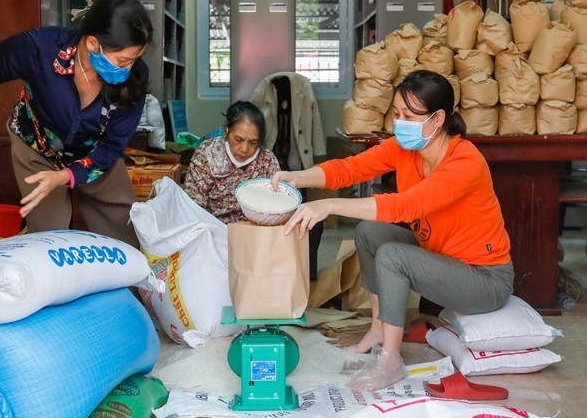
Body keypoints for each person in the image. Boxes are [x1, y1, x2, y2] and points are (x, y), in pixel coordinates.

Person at [271, 70, 514, 391]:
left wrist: (326, 206)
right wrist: (297, 177)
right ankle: (377, 327)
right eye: (397, 114)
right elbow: (350, 169)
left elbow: (406, 206)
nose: (400, 123)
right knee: (371, 233)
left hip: (485, 280)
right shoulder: (406, 148)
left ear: (438, 118)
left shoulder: (465, 162)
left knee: (393, 255)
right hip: (442, 259)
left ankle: (390, 360)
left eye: (410, 116)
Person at [0, 0, 152, 248]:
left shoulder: (134, 78)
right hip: (37, 148)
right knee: (48, 242)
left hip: (95, 153)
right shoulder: (39, 49)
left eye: (134, 59)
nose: (129, 68)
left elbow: (111, 147)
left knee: (124, 236)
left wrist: (65, 175)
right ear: (93, 44)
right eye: (123, 60)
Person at [184, 101, 281, 224]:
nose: (244, 149)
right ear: (226, 131)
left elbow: (275, 207)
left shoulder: (267, 161)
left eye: (253, 142)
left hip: (254, 232)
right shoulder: (206, 154)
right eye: (238, 139)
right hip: (211, 229)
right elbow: (193, 205)